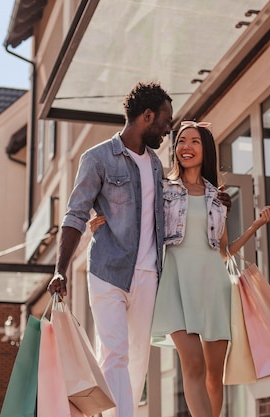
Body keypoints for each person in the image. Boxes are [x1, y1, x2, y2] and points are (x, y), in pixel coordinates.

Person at [47, 82, 230, 417]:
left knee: (136, 360)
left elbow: (182, 204)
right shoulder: (98, 158)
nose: (168, 130)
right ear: (147, 117)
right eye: (165, 121)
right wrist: (61, 267)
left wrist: (217, 199)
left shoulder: (158, 167)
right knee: (115, 353)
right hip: (108, 271)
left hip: (150, 277)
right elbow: (74, 214)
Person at [90, 121, 270, 417]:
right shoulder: (163, 189)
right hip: (175, 284)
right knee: (193, 364)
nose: (186, 147)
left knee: (215, 375)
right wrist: (101, 221)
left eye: (194, 142)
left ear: (206, 151)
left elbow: (224, 251)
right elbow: (134, 216)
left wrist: (255, 225)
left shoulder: (218, 196)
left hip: (213, 286)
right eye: (181, 141)